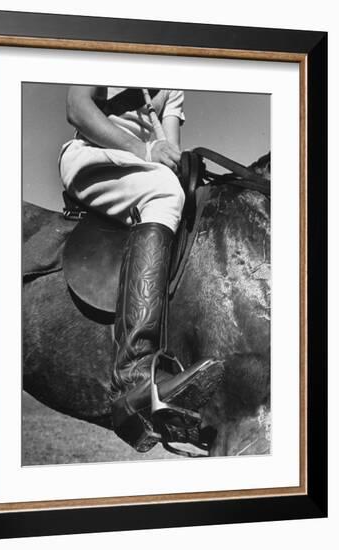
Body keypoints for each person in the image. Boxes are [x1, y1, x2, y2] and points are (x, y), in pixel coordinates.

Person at [58, 86, 223, 454]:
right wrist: (146, 151)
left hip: (142, 170)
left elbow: (169, 145)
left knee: (188, 203)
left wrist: (174, 161)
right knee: (166, 193)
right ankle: (133, 372)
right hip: (93, 159)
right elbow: (77, 107)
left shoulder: (174, 86)